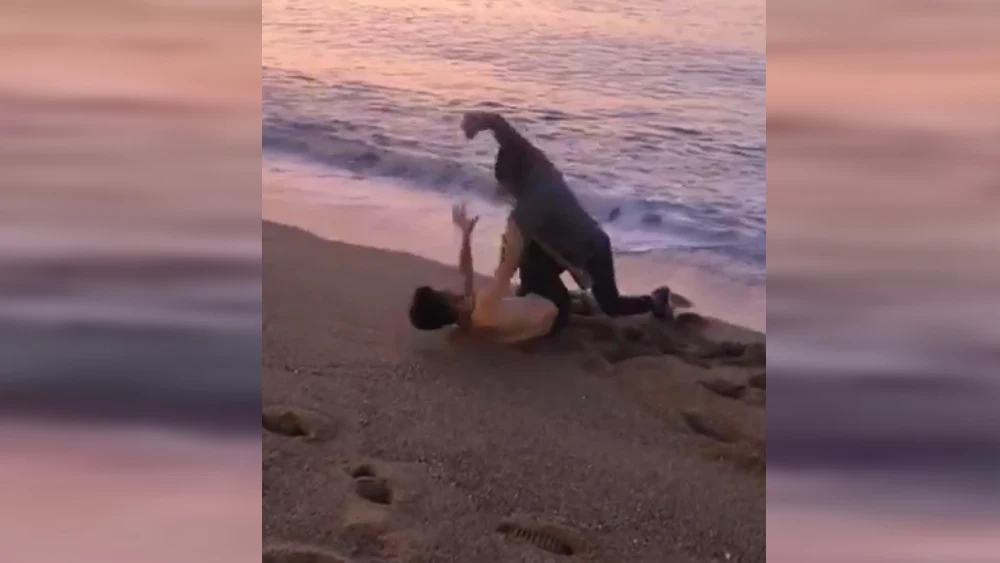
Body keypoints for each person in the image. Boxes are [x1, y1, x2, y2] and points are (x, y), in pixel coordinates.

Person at [458, 110, 672, 335]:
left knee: (611, 306)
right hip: (561, 247)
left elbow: (508, 259)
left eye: (507, 187)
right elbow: (508, 135)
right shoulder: (541, 170)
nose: (507, 192)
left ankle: (655, 301)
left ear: (515, 181)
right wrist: (480, 121)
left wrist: (493, 297)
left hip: (591, 250)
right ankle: (551, 297)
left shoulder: (531, 206)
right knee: (530, 265)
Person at [408, 203, 559, 344]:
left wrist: (466, 234)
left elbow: (465, 271)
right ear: (447, 304)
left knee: (525, 288)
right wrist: (513, 234)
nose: (446, 290)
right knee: (534, 253)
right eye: (441, 293)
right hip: (552, 308)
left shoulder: (469, 319)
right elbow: (506, 271)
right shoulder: (483, 308)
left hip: (541, 315)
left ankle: (575, 309)